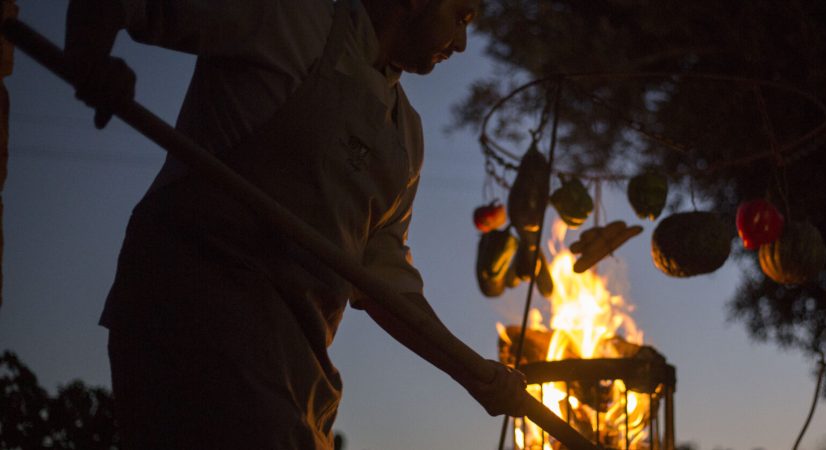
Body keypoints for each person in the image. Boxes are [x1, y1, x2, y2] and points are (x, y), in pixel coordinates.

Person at [62, 0, 528, 448]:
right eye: (460, 16)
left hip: (299, 371)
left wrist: (474, 374)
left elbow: (387, 286)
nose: (463, 42)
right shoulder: (286, 18)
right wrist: (88, 57)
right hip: (193, 328)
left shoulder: (406, 135)